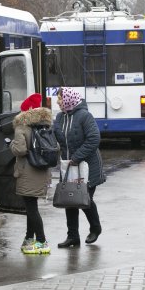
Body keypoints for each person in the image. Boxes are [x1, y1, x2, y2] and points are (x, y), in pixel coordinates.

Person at [53, 87, 106, 247]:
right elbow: (56, 136)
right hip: (68, 166)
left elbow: (94, 138)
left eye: (61, 98)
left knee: (84, 198)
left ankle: (95, 228)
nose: (58, 102)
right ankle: (73, 236)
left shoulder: (84, 116)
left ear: (69, 99)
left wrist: (77, 157)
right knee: (70, 199)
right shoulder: (60, 117)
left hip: (87, 166)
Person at [10, 93, 52, 254]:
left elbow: (20, 149)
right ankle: (29, 238)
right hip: (41, 171)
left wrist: (11, 146)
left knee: (31, 208)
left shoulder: (21, 127)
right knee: (31, 206)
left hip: (27, 172)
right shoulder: (45, 125)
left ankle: (41, 241)